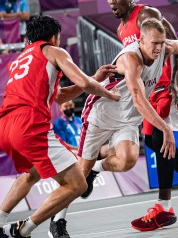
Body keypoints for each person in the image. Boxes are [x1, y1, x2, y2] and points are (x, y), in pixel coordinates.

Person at [93, 0, 178, 232]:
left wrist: (174, 81)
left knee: (161, 138)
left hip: (173, 81)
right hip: (156, 84)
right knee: (151, 139)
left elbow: (177, 44)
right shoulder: (121, 29)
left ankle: (164, 208)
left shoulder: (147, 14)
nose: (111, 1)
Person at [0, 14, 120, 238]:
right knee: (77, 184)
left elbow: (60, 94)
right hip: (28, 124)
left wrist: (95, 77)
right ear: (54, 37)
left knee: (31, 174)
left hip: (5, 125)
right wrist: (109, 94)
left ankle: (0, 221)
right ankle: (22, 230)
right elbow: (84, 83)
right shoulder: (54, 51)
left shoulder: (21, 59)